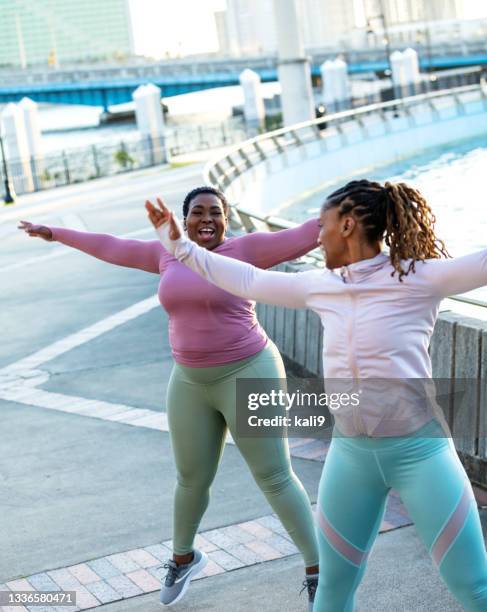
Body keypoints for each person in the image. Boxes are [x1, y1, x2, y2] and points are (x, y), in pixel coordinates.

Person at [150, 179, 487, 611]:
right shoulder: (322, 284)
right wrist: (179, 247)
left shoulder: (418, 277)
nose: (316, 235)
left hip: (419, 453)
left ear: (347, 226)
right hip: (351, 458)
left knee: (474, 589)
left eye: (322, 225)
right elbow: (248, 279)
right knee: (331, 593)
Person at [19, 185, 321, 610]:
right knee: (190, 478)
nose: (207, 220)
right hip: (190, 381)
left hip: (249, 372)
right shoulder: (165, 253)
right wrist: (56, 233)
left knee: (273, 476)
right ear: (183, 220)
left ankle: (318, 569)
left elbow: (312, 231)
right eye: (198, 212)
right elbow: (111, 246)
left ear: (226, 219)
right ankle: (183, 557)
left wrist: (362, 200)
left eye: (215, 212)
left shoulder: (246, 249)